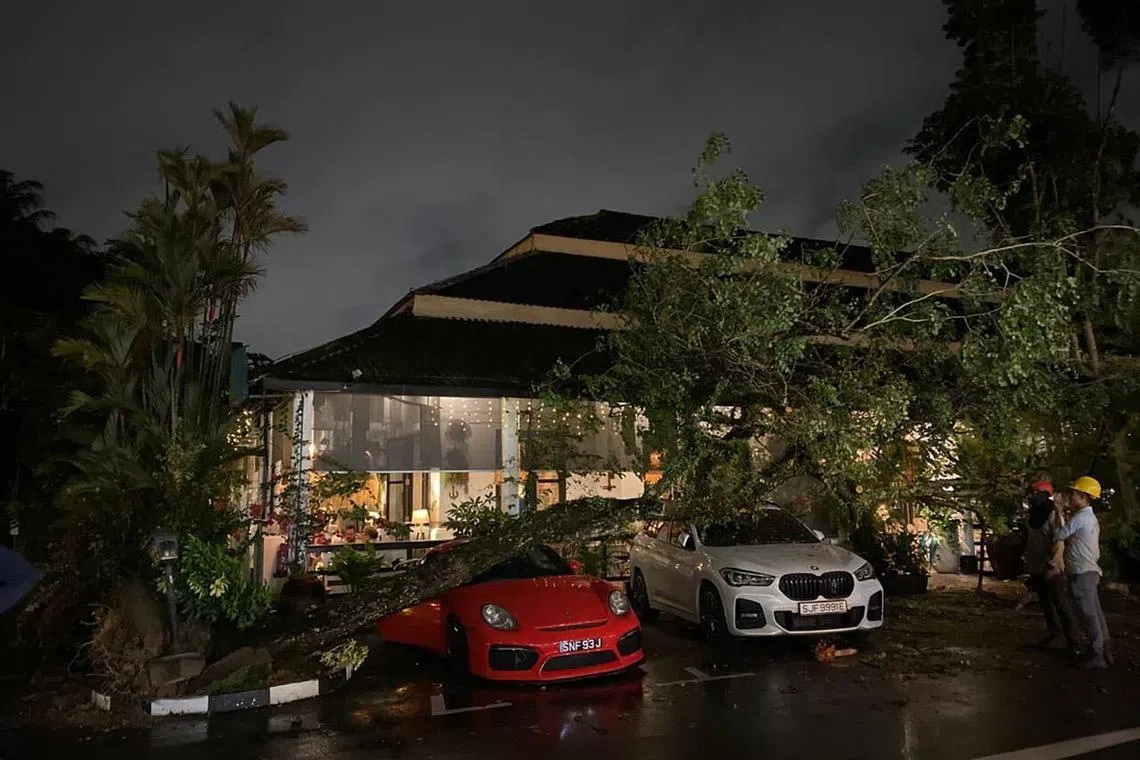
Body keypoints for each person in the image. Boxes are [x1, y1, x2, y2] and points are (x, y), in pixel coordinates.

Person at [1054, 476, 1112, 669]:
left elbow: (1060, 534)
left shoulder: (1081, 518)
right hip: (1088, 570)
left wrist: (1059, 510)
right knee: (1095, 613)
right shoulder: (1089, 516)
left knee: (1089, 615)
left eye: (1073, 494)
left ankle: (1097, 656)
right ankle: (1104, 650)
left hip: (1082, 572)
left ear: (1082, 496)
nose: (1070, 497)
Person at [1022, 480, 1075, 650]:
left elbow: (1059, 541)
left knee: (1061, 604)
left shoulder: (1053, 514)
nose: (1032, 496)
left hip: (1052, 568)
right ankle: (1055, 636)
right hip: (1037, 567)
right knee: (1046, 605)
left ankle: (1074, 643)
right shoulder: (1032, 515)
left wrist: (1053, 566)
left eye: (1036, 493)